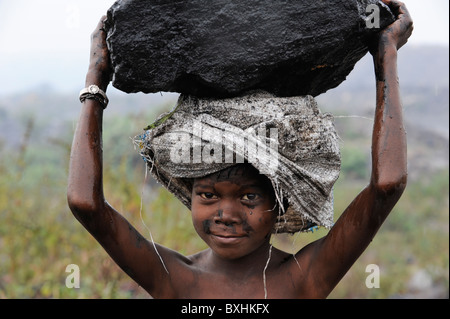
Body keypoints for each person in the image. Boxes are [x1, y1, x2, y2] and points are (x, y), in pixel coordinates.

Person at [67, 0, 413, 298]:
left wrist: (386, 53)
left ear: (278, 202)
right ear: (190, 194)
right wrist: (95, 78)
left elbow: (387, 185)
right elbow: (85, 204)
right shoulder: (175, 278)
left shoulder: (303, 278)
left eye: (249, 197)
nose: (225, 214)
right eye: (207, 195)